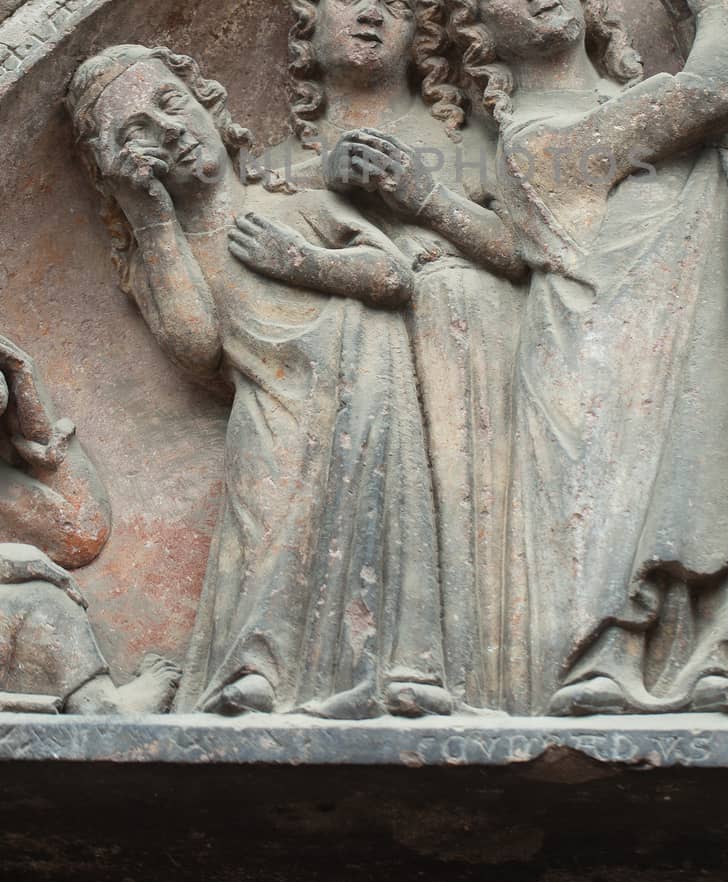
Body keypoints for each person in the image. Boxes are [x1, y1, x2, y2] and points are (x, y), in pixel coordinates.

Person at [438, 0, 728, 715]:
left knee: (714, 482)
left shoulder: (626, 101)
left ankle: (720, 648)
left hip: (702, 340)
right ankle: (617, 663)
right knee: (625, 537)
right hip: (603, 373)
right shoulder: (533, 139)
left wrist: (683, 9)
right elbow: (707, 97)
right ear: (478, 34)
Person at [67, 42, 451, 719]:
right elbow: (195, 347)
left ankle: (380, 671)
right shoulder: (163, 255)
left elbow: (391, 275)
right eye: (139, 134)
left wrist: (299, 262)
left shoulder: (288, 195)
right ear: (121, 170)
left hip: (363, 398)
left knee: (371, 530)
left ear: (208, 102)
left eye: (171, 104)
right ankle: (256, 672)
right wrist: (150, 218)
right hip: (270, 414)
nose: (171, 132)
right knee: (265, 539)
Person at [265, 0, 524, 710]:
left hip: (460, 373)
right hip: (330, 403)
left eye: (397, 4)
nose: (372, 14)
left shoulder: (468, 143)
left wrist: (422, 198)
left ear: (424, 34)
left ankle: (451, 668)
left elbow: (525, 255)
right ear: (309, 21)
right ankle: (335, 666)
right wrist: (318, 182)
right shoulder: (269, 165)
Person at [0, 285, 178, 713]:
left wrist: (29, 386)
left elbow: (78, 532)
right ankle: (102, 710)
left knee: (41, 603)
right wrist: (3, 561)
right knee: (41, 607)